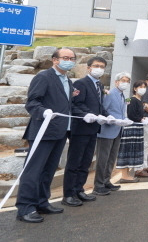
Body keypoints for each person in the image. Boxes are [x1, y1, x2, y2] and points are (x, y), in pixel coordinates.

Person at [16, 48, 77, 223]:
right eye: (65, 57)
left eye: (72, 58)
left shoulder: (68, 80)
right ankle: (25, 207)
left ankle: (42, 202)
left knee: (48, 171)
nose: (69, 61)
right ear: (55, 60)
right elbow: (32, 103)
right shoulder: (43, 77)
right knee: (33, 171)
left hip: (60, 132)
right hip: (43, 132)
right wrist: (44, 112)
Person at [63, 56, 109, 207]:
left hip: (93, 129)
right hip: (80, 129)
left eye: (102, 66)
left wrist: (108, 117)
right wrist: (87, 115)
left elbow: (99, 106)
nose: (99, 69)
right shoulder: (81, 83)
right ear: (89, 67)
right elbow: (75, 105)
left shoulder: (99, 86)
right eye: (96, 65)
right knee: (74, 162)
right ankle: (69, 194)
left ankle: (79, 189)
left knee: (86, 161)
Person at [93, 72, 130, 196]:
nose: (125, 83)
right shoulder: (109, 94)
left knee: (111, 158)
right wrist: (112, 119)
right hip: (107, 130)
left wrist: (123, 120)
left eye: (127, 81)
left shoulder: (122, 95)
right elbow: (104, 110)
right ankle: (98, 185)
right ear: (116, 82)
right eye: (123, 80)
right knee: (102, 159)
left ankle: (106, 180)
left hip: (118, 130)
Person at [116, 80, 147, 183]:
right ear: (134, 88)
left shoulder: (140, 101)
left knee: (134, 151)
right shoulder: (131, 99)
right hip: (131, 128)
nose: (143, 89)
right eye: (140, 86)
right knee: (127, 151)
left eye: (144, 87)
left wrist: (143, 118)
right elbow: (130, 114)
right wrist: (141, 119)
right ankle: (124, 175)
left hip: (137, 128)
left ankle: (128, 174)